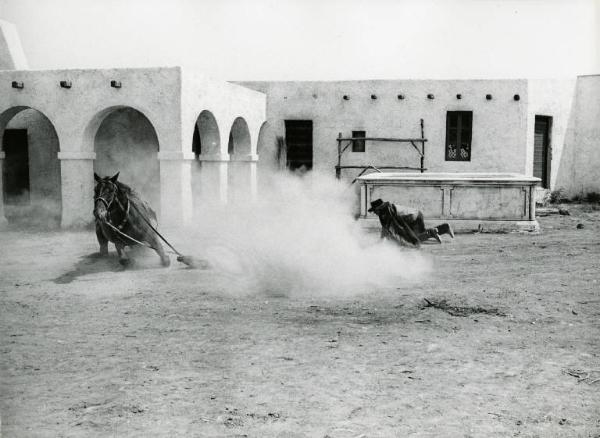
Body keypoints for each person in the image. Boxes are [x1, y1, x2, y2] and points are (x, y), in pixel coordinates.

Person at [368, 198, 454, 247]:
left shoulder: (391, 212)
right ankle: (444, 228)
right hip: (414, 216)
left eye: (374, 211)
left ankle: (432, 232)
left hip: (415, 218)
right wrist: (381, 241)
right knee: (418, 235)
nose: (374, 213)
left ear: (379, 209)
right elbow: (386, 228)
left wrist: (409, 242)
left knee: (415, 239)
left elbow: (402, 227)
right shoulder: (386, 212)